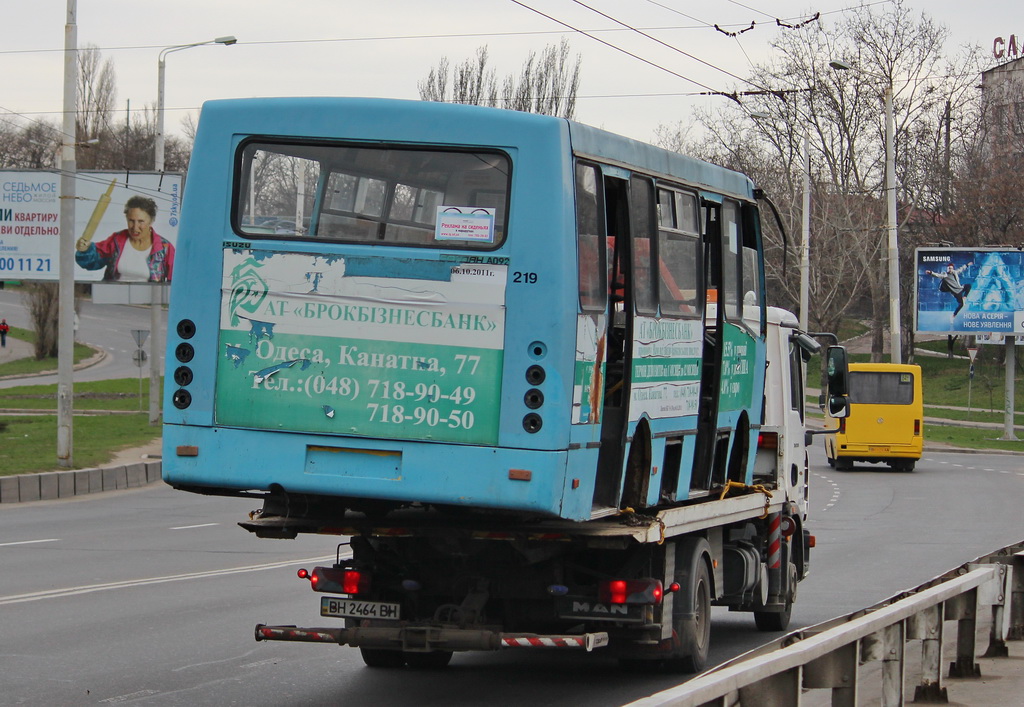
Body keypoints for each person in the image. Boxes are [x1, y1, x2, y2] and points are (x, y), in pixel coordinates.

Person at [75, 195, 175, 282]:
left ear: (151, 221)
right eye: (131, 221)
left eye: (141, 221)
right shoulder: (117, 240)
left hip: (147, 303)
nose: (135, 227)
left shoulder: (165, 248)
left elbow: (177, 280)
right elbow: (92, 262)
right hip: (112, 299)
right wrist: (85, 250)